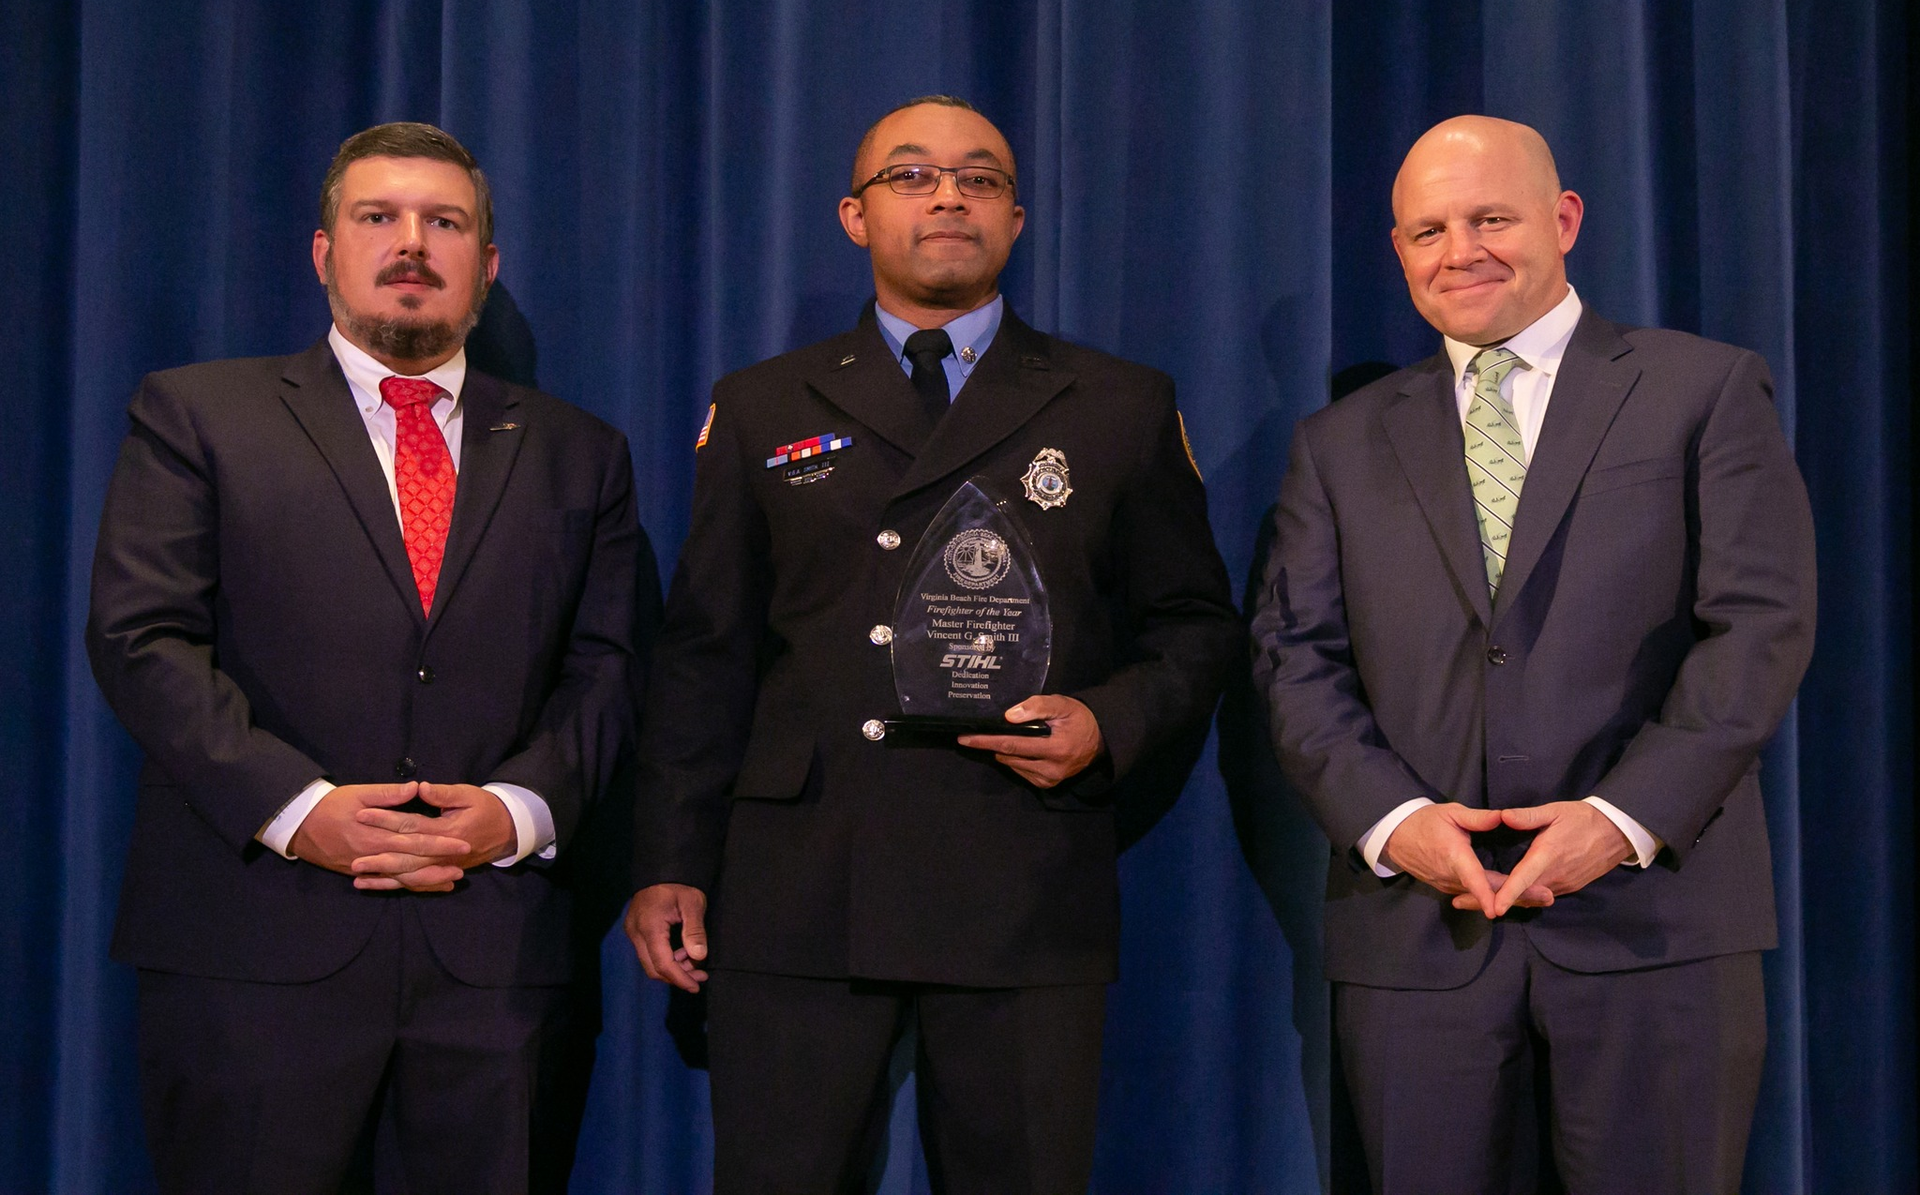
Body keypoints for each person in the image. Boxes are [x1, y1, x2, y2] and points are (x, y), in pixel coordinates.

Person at [626, 95, 1241, 1193]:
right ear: (855, 217)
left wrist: (1110, 720)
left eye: (981, 177)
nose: (949, 194)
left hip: (1021, 877)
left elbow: (1195, 628)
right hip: (800, 885)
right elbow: (705, 653)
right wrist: (673, 859)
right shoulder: (764, 405)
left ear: (1016, 219)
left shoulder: (1117, 404)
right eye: (911, 176)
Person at [1253, 114, 1816, 1194]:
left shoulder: (1703, 388)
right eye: (1427, 229)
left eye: (1489, 217)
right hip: (1420, 941)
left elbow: (1759, 626)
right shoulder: (1339, 443)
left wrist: (1620, 820)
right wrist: (1395, 822)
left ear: (1564, 220)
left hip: (1658, 929)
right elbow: (1295, 658)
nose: (1457, 249)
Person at [87, 121, 642, 1193]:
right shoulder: (199, 415)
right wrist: (304, 809)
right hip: (253, 957)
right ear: (322, 249)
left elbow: (613, 667)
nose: (411, 244)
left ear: (486, 264)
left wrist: (516, 813)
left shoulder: (582, 451)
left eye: (445, 223)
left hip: (498, 964)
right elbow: (141, 637)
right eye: (377, 217)